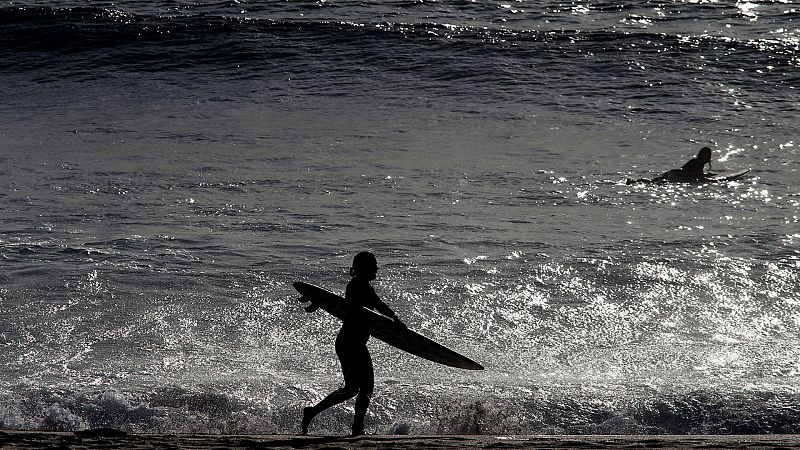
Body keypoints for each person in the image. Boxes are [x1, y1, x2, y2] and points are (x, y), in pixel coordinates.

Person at [301, 251, 404, 436]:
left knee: (353, 389)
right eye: (373, 265)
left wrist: (319, 302)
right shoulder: (359, 286)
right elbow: (374, 305)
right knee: (363, 387)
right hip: (351, 342)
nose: (377, 268)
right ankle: (356, 428)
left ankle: (314, 412)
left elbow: (350, 305)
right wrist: (395, 318)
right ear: (363, 268)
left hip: (349, 342)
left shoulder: (359, 285)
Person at [626, 147, 715, 184]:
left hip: (674, 172)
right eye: (708, 155)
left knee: (652, 182)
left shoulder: (696, 161)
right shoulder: (699, 163)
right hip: (677, 175)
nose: (709, 157)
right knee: (654, 183)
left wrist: (706, 176)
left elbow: (694, 173)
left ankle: (634, 182)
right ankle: (634, 182)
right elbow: (698, 177)